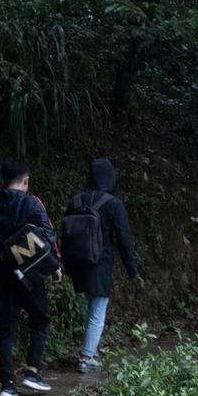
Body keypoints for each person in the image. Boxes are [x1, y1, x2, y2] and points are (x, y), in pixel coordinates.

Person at [0, 158, 57, 396]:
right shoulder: (32, 204)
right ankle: (32, 371)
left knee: (4, 330)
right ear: (25, 180)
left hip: (2, 275)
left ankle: (7, 385)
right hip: (30, 274)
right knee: (40, 321)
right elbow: (47, 236)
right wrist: (55, 266)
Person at [60, 157, 140, 373]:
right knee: (97, 309)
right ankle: (87, 356)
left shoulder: (75, 201)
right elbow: (124, 238)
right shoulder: (113, 204)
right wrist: (132, 269)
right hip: (99, 264)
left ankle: (92, 350)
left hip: (77, 262)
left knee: (92, 306)